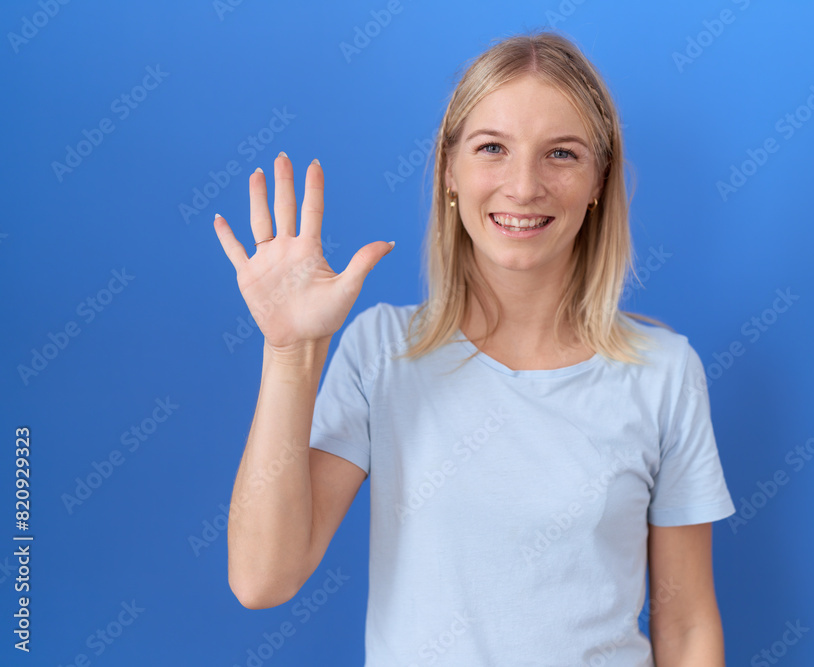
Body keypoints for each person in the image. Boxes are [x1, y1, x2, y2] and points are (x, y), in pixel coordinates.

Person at [215, 29, 735, 666]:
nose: (523, 187)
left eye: (562, 155)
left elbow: (685, 627)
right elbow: (263, 578)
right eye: (493, 148)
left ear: (600, 178)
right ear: (448, 169)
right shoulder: (381, 351)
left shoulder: (663, 372)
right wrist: (290, 350)